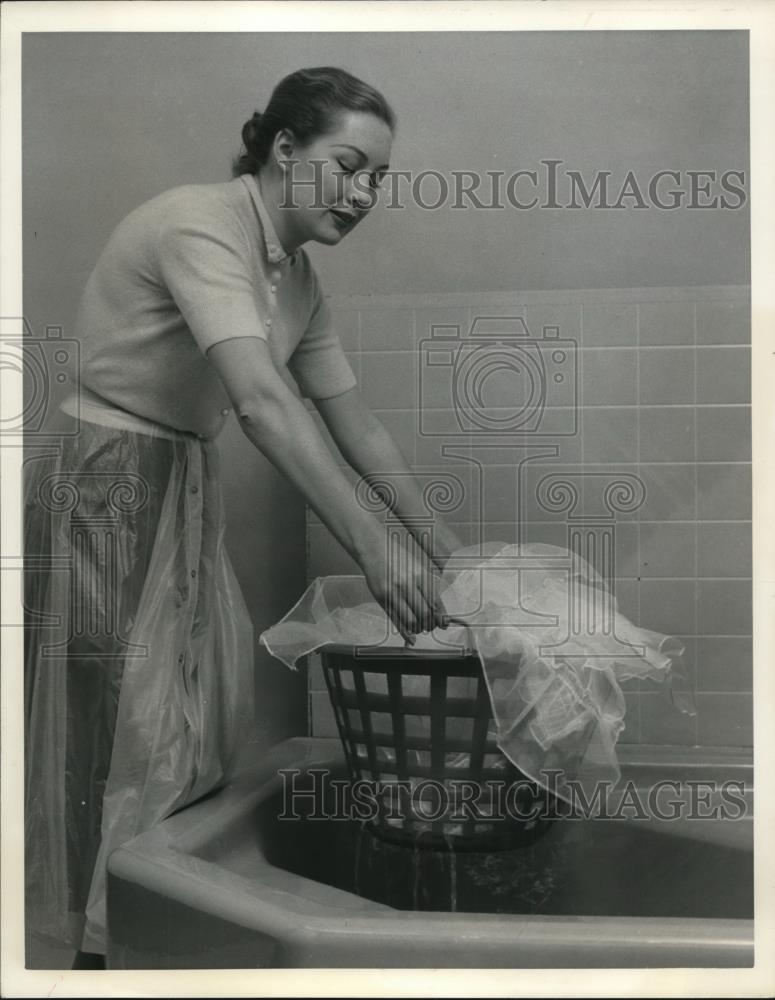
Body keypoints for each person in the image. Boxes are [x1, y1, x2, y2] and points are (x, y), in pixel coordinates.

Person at [24, 66, 463, 969]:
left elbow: (361, 430)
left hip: (179, 475)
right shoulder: (200, 222)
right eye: (349, 165)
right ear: (283, 148)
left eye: (378, 177)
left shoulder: (296, 281)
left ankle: (129, 944)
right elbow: (262, 405)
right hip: (105, 480)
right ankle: (78, 960)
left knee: (192, 732)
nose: (364, 192)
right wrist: (375, 550)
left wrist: (456, 562)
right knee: (110, 735)